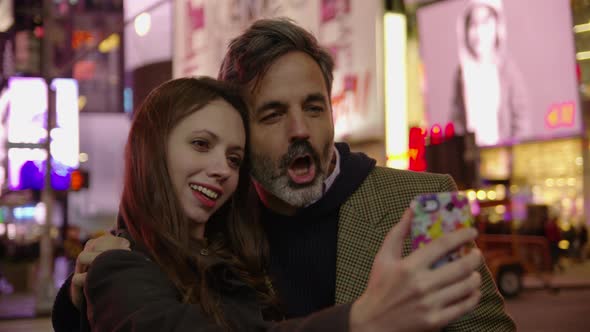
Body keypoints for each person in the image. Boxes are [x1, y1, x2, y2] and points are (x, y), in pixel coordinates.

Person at [54, 18, 515, 332]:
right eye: (273, 114)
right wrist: (76, 298)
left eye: (314, 108)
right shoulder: (212, 215)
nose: (301, 131)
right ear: (241, 131)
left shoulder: (424, 200)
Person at [451, 0, 529, 146]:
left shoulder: (507, 69)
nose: (479, 31)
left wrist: (514, 151)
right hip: (472, 158)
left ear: (497, 26)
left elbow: (521, 117)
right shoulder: (462, 73)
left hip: (502, 156)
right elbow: (456, 119)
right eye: (473, 24)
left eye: (485, 22)